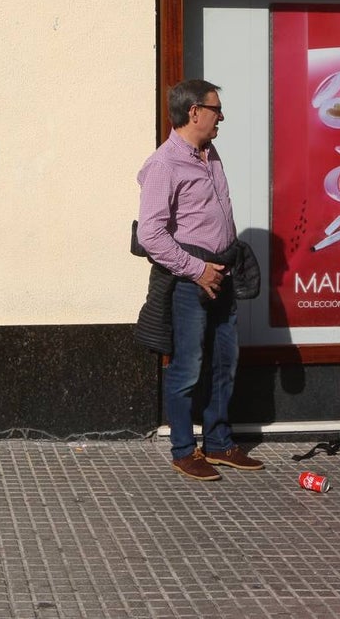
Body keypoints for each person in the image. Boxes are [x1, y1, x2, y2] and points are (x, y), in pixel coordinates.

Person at [135, 79, 264, 481]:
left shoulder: (209, 153)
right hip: (191, 280)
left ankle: (219, 443)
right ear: (194, 112)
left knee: (226, 361)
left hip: (221, 272)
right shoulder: (164, 165)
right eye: (215, 109)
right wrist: (197, 269)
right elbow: (150, 235)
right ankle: (183, 450)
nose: (221, 117)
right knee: (188, 367)